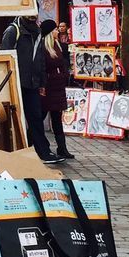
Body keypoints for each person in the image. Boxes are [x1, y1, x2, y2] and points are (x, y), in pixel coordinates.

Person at [2, 15, 52, 161]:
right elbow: (5, 57)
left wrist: (42, 82)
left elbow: (40, 59)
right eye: (29, 12)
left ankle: (43, 151)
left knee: (36, 117)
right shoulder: (13, 30)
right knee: (16, 118)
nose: (32, 16)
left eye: (34, 13)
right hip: (17, 82)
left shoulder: (37, 31)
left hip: (33, 82)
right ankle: (19, 151)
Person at [42, 24, 74, 162]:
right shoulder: (43, 47)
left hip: (58, 84)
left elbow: (63, 62)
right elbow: (43, 66)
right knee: (41, 114)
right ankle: (33, 143)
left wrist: (64, 74)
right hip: (49, 84)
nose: (57, 31)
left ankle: (62, 147)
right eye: (54, 29)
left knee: (57, 116)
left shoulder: (59, 45)